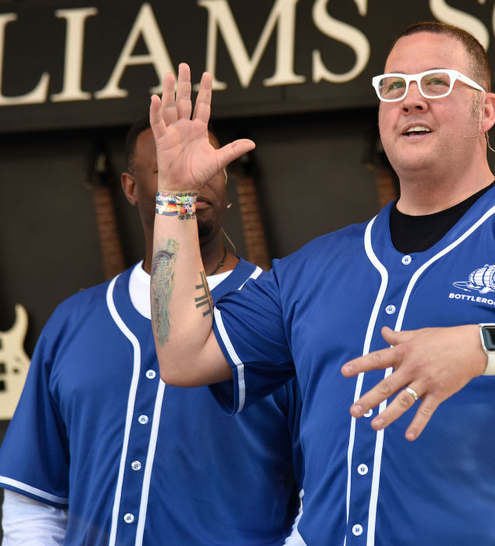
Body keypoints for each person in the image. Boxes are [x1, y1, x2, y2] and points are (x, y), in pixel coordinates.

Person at [149, 22, 495, 546]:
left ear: (485, 112)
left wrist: (484, 346)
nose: (412, 100)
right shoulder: (318, 265)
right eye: (394, 86)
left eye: (438, 82)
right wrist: (174, 198)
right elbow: (183, 354)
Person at [0, 118, 302, 545]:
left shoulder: (282, 316)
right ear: (130, 187)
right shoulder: (73, 321)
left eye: (208, 165)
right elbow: (36, 503)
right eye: (170, 167)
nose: (193, 178)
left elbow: (325, 497)